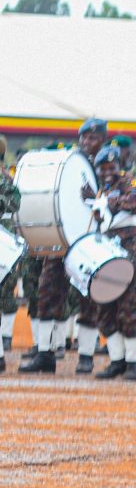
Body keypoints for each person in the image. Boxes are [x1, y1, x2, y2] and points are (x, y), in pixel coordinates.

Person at [20, 120, 108, 375]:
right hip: (61, 239)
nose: (86, 142)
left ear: (102, 140)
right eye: (83, 137)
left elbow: (119, 199)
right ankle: (45, 353)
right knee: (46, 294)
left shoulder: (108, 168)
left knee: (88, 300)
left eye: (92, 138)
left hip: (89, 245)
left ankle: (86, 356)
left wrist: (97, 198)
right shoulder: (69, 164)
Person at [91, 145, 136, 380]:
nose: (107, 172)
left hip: (132, 252)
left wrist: (113, 201)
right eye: (103, 168)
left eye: (111, 167)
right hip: (107, 254)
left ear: (119, 166)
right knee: (105, 307)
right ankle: (117, 360)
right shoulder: (102, 189)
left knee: (130, 307)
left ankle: (133, 362)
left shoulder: (130, 181)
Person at [0, 140, 21, 374]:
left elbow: (14, 204)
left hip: (3, 236)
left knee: (6, 289)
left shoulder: (5, 178)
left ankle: (5, 337)